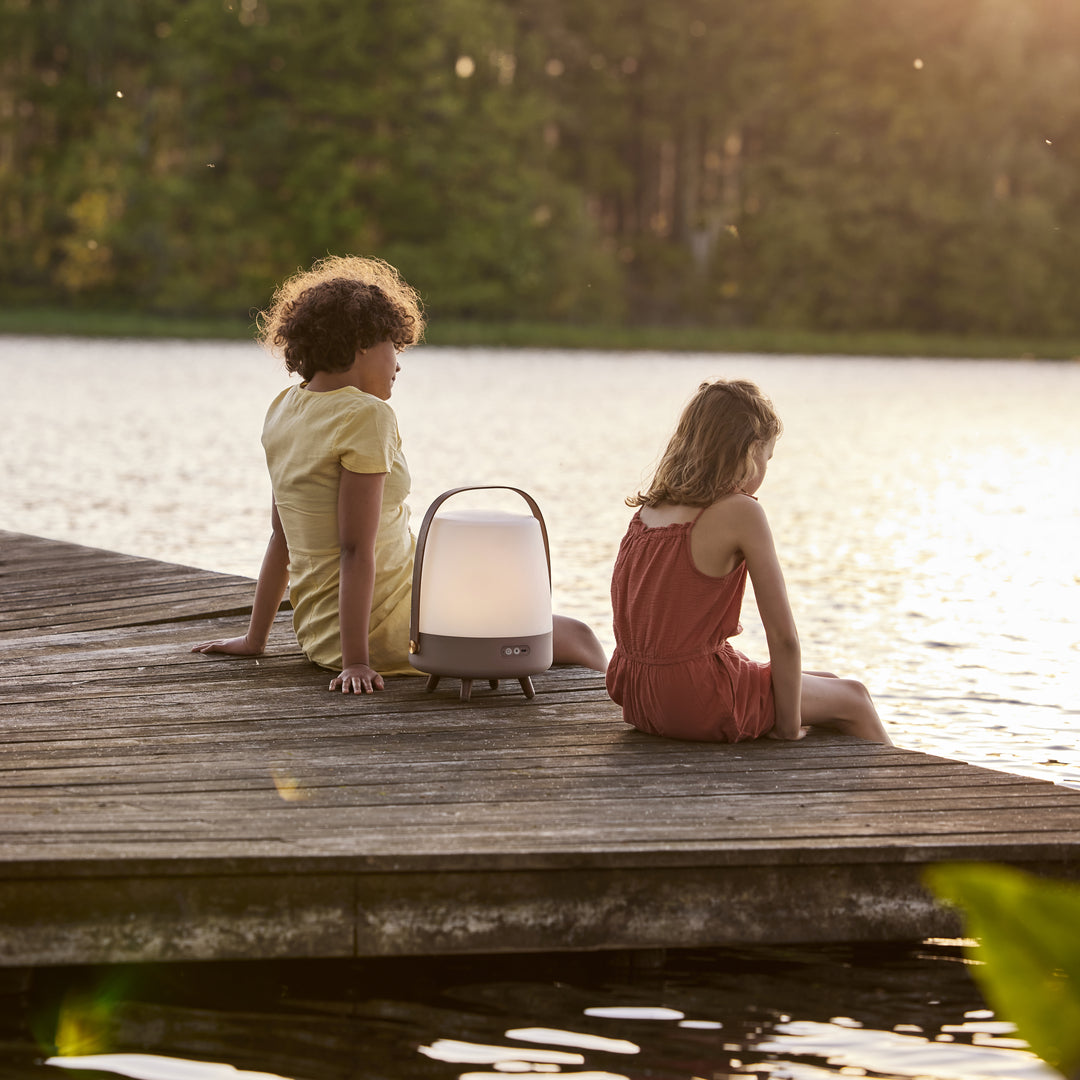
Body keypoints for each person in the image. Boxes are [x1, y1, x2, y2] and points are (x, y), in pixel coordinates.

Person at [193, 255, 606, 691]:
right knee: (576, 634)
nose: (399, 362)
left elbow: (281, 536)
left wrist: (255, 640)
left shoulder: (285, 408)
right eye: (394, 345)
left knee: (490, 595)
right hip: (389, 632)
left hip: (319, 636)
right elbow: (356, 549)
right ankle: (618, 701)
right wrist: (356, 662)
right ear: (362, 344)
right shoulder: (366, 416)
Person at [606, 378, 891, 744]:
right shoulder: (740, 512)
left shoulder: (652, 508)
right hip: (694, 697)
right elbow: (783, 637)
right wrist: (788, 729)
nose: (766, 471)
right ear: (750, 451)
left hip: (635, 690)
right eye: (768, 458)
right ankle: (903, 794)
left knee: (830, 684)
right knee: (855, 697)